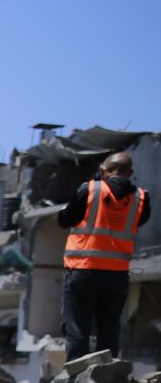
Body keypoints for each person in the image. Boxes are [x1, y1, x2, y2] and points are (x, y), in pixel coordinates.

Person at [59, 151, 150, 358]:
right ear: (131, 172)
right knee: (109, 328)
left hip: (83, 269)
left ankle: (77, 378)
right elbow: (139, 221)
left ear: (103, 170)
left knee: (77, 327)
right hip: (117, 274)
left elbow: (65, 220)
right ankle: (107, 374)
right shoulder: (140, 198)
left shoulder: (90, 189)